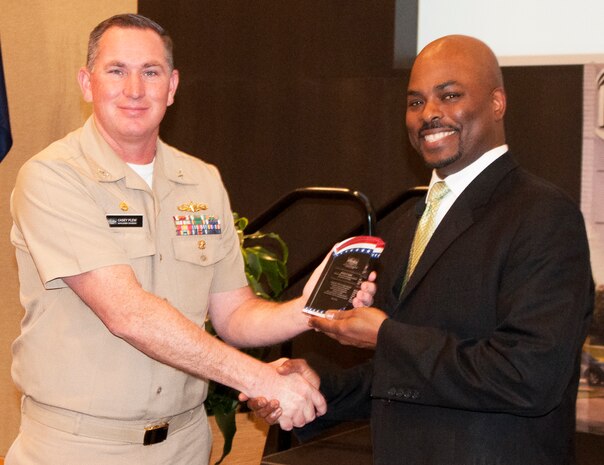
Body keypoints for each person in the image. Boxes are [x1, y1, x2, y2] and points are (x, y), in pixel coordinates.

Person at [6, 14, 375, 465]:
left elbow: (234, 315)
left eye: (151, 72)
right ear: (87, 82)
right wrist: (259, 378)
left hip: (184, 445)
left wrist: (312, 307)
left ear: (173, 85)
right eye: (116, 71)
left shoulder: (200, 181)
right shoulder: (53, 177)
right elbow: (128, 314)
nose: (135, 90)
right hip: (78, 448)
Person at [247, 35, 594, 464]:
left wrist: (385, 336)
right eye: (415, 102)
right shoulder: (413, 220)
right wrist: (315, 392)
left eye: (449, 96)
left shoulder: (542, 214)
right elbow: (405, 375)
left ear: (498, 102)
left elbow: (528, 376)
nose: (429, 114)